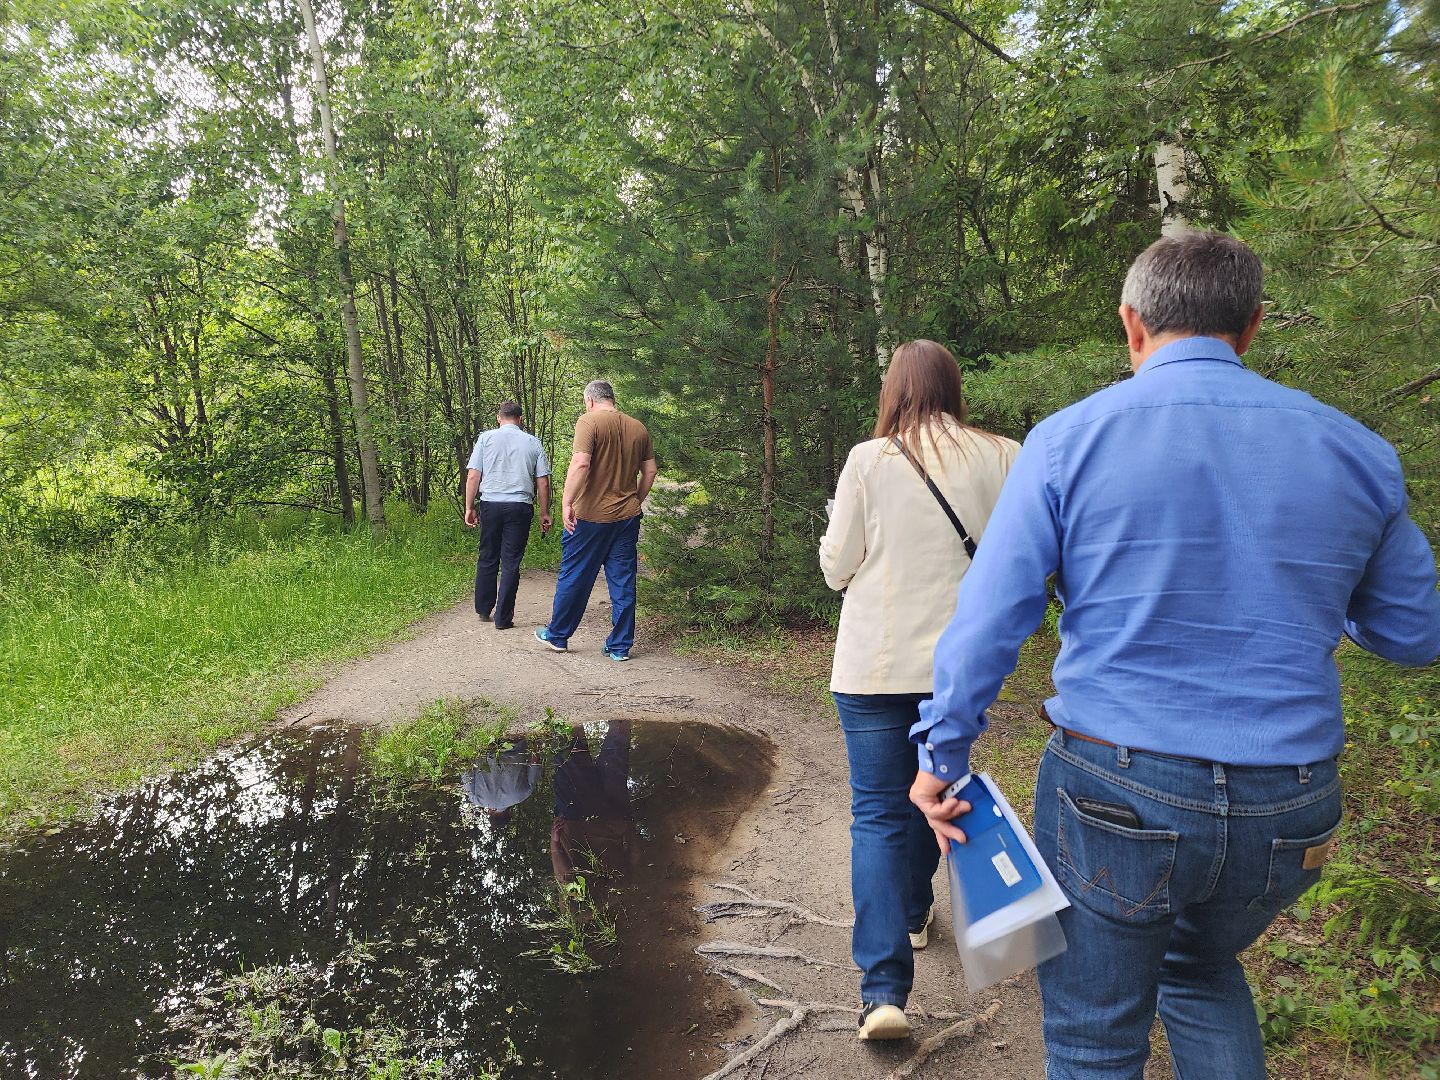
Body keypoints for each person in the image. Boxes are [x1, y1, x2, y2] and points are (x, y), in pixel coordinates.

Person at [909, 232, 1440, 1079]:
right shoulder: (1357, 451)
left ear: (1132, 324)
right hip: (1292, 803)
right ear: (1253, 326)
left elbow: (988, 622)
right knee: (1197, 969)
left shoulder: (1066, 442)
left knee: (1093, 1036)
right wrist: (1310, 613)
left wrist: (943, 752)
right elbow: (1415, 633)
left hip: (1117, 793)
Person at [819, 340, 1020, 1042]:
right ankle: (912, 910)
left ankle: (882, 992)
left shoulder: (868, 461)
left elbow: (837, 567)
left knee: (877, 812)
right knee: (935, 788)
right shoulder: (1004, 455)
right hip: (957, 674)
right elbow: (1015, 564)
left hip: (874, 665)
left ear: (894, 390)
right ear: (953, 387)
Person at [535, 381, 658, 661]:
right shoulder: (638, 427)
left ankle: (558, 636)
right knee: (623, 580)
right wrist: (635, 500)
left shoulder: (588, 422)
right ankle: (619, 646)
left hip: (589, 518)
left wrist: (566, 503)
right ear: (611, 399)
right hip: (626, 518)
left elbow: (580, 463)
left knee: (575, 576)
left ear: (590, 400)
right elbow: (649, 471)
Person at [464, 401, 552, 630]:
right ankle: (503, 619)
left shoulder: (485, 439)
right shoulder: (533, 442)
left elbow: (474, 475)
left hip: (490, 503)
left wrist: (469, 507)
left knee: (487, 556)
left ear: (498, 417)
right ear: (520, 419)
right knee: (511, 562)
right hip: (519, 506)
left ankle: (484, 609)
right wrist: (544, 512)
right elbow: (542, 481)